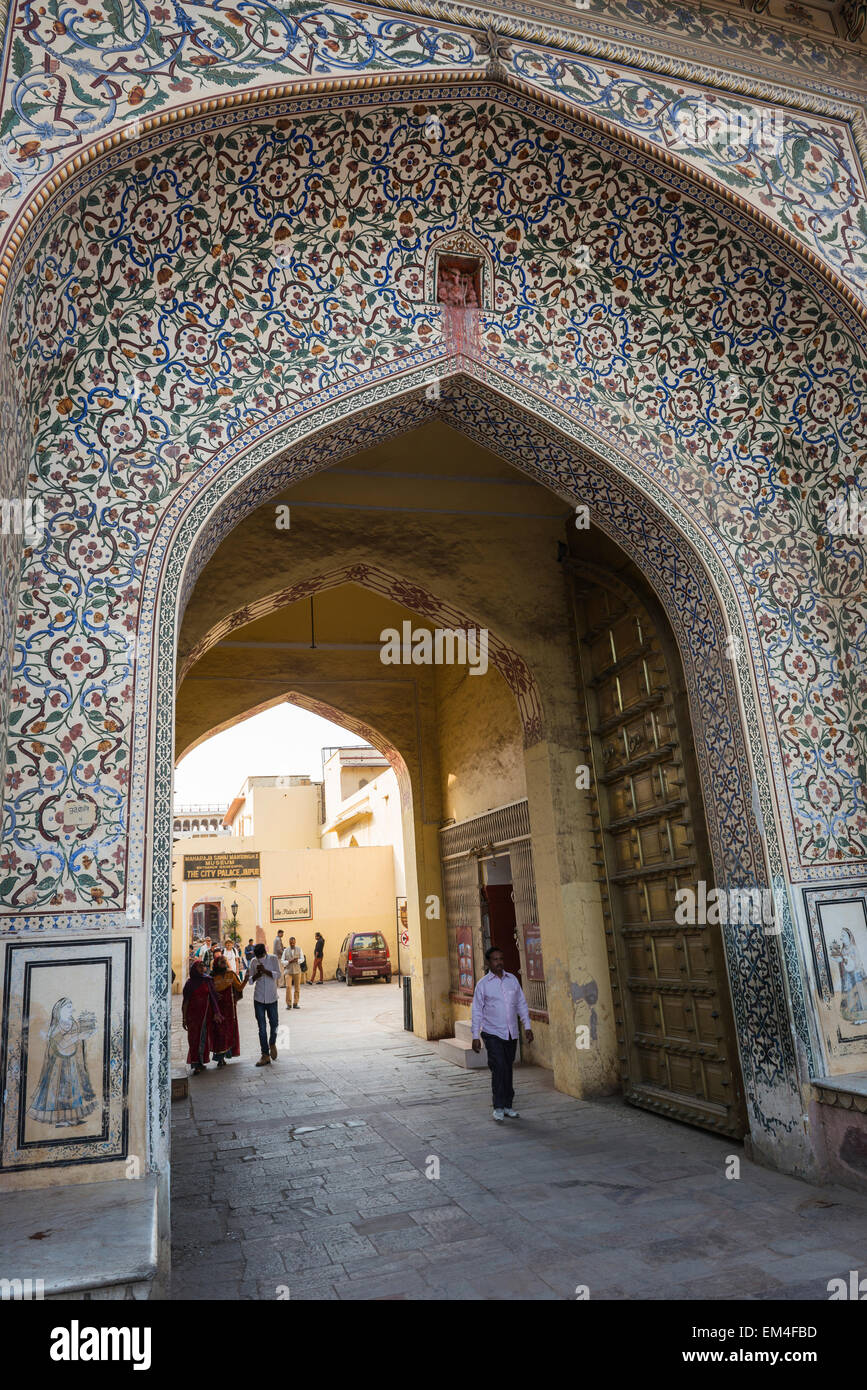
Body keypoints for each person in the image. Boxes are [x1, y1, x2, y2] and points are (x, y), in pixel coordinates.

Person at [470, 947, 533, 1122]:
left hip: (511, 1033)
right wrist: (475, 1035)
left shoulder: (512, 980)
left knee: (507, 1067)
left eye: (501, 959)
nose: (499, 962)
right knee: (498, 1068)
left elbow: (521, 1004)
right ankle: (498, 1106)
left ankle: (508, 1106)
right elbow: (477, 1011)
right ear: (488, 963)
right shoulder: (483, 985)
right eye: (495, 959)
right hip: (492, 1033)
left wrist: (527, 1026)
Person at [182, 959, 223, 1075]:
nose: (202, 968)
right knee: (194, 1039)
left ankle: (201, 1061)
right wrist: (184, 1018)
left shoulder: (207, 980)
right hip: (193, 1017)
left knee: (203, 1038)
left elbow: (213, 996)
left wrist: (216, 1010)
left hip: (205, 1016)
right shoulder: (189, 984)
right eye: (199, 966)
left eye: (203, 966)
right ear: (194, 969)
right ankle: (195, 1063)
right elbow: (186, 1002)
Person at [248, 942, 281, 1066]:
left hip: (272, 997)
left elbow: (278, 975)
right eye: (256, 957)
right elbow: (250, 981)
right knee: (262, 1028)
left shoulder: (272, 959)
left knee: (274, 1024)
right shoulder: (253, 962)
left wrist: (266, 971)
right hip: (259, 998)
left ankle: (272, 1042)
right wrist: (257, 974)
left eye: (260, 956)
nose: (258, 959)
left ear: (264, 953)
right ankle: (265, 1055)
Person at [210, 957, 247, 1066]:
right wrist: (214, 995)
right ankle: (220, 1058)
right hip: (217, 1010)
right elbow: (209, 992)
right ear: (216, 964)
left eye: (224, 962)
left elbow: (239, 988)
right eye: (221, 962)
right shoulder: (211, 977)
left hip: (230, 1009)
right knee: (219, 1032)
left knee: (229, 1030)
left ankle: (227, 1054)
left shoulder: (230, 974)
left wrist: (245, 979)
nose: (224, 964)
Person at [282, 936, 303, 1009]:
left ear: (295, 942)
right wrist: (289, 961)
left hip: (297, 971)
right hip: (288, 971)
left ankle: (295, 1003)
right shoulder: (285, 950)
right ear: (289, 943)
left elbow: (302, 959)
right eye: (291, 943)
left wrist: (297, 960)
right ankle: (288, 1004)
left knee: (297, 988)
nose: (292, 944)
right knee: (288, 987)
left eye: (293, 943)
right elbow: (282, 961)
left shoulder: (299, 949)